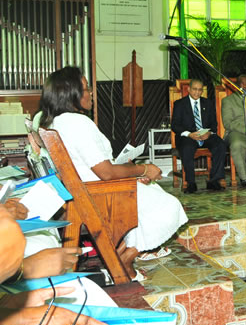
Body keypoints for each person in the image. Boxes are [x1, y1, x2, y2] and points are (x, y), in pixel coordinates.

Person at [39, 67, 188, 272]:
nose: (91, 92)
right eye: (85, 88)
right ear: (70, 93)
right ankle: (124, 259)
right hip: (101, 193)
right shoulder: (77, 122)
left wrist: (133, 176)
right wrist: (142, 169)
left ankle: (121, 257)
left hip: (88, 189)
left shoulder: (57, 121)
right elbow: (106, 172)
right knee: (169, 207)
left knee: (154, 193)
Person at [171, 78, 227, 193]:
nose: (197, 92)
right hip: (188, 136)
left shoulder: (208, 103)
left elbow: (213, 123)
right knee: (187, 148)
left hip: (205, 135)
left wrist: (209, 133)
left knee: (220, 145)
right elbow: (175, 125)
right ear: (189, 89)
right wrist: (189, 134)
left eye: (200, 90)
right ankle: (191, 183)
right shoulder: (180, 104)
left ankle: (214, 180)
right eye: (194, 89)